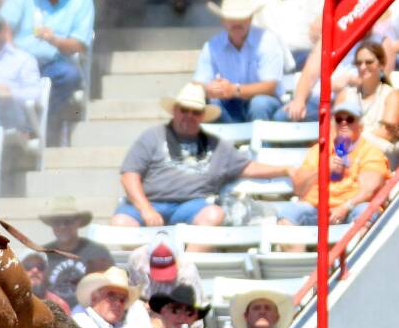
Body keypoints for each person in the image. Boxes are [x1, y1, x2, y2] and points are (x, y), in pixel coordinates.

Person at [112, 83, 292, 230]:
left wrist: (285, 169)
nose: (189, 116)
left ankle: (187, 265)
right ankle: (143, 269)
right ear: (175, 110)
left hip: (192, 206)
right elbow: (129, 176)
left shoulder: (217, 145)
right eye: (184, 109)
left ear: (203, 116)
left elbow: (248, 167)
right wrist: (146, 209)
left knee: (214, 215)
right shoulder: (152, 136)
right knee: (121, 223)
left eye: (196, 111)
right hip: (152, 202)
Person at [0, 0, 94, 145]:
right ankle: (17, 135)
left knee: (68, 76)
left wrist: (54, 40)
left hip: (55, 62)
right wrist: (11, 52)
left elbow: (79, 44)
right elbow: (3, 24)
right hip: (22, 60)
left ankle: (39, 131)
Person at [279, 99, 389, 227]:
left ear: (361, 126)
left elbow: (368, 191)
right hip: (317, 208)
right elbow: (298, 188)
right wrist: (323, 169)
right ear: (333, 124)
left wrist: (345, 207)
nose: (343, 123)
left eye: (350, 119)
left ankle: (351, 247)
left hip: (352, 208)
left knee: (365, 213)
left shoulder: (371, 152)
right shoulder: (318, 151)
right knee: (288, 215)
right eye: (338, 119)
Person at [193, 0, 284, 124]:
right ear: (223, 21)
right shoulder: (212, 45)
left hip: (264, 101)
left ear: (251, 18)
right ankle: (226, 144)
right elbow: (197, 83)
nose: (236, 23)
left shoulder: (267, 40)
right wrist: (210, 89)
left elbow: (270, 87)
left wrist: (233, 90)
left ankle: (260, 144)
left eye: (241, 18)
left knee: (260, 103)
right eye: (231, 19)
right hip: (228, 101)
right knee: (212, 103)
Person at [333, 41, 399, 158]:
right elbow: (333, 129)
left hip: (380, 155)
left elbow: (387, 133)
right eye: (359, 63)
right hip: (349, 151)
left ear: (381, 64)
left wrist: (354, 135)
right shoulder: (345, 95)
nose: (363, 67)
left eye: (369, 62)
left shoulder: (391, 95)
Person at [39, 196, 113, 308]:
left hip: (88, 314)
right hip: (52, 315)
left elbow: (111, 287)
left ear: (78, 222)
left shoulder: (97, 252)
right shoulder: (42, 254)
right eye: (56, 222)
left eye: (67, 221)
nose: (62, 226)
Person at [71, 267, 152, 328]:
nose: (118, 303)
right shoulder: (80, 315)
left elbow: (145, 325)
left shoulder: (115, 324)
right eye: (111, 295)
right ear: (94, 297)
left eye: (122, 299)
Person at [125, 233, 203, 303]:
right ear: (148, 259)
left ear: (176, 260)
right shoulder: (137, 260)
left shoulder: (188, 273)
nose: (162, 278)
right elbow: (133, 293)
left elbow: (193, 311)